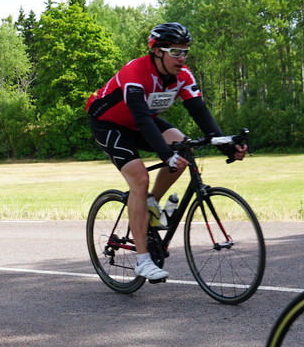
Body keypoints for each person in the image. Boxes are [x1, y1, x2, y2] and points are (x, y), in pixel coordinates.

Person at [85, 22, 247, 282]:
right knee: (140, 178)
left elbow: (199, 112)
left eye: (185, 52)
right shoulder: (135, 71)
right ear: (157, 51)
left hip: (142, 122)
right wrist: (165, 154)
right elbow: (141, 118)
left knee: (183, 148)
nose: (182, 58)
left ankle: (150, 205)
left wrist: (226, 145)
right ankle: (143, 260)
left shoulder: (184, 76)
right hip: (109, 123)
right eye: (175, 52)